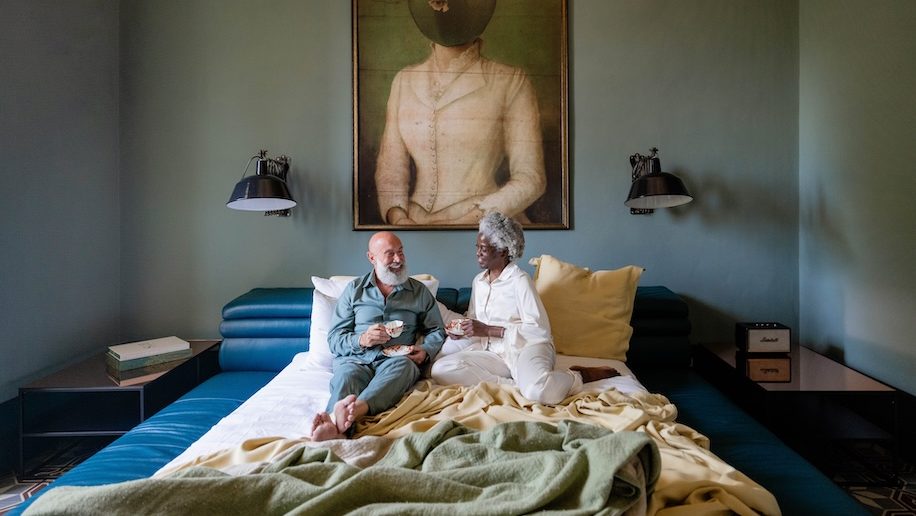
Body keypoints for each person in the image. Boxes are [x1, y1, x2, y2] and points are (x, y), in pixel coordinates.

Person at [374, 0, 547, 226]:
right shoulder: (404, 80)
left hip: (485, 223)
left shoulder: (509, 80)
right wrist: (400, 220)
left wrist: (470, 220)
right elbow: (390, 169)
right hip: (414, 227)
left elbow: (531, 178)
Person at [430, 212, 618, 404]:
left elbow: (540, 331)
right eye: (476, 247)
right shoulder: (479, 282)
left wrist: (488, 330)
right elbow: (475, 320)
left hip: (527, 348)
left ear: (502, 251)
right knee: (441, 369)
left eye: (483, 248)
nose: (477, 252)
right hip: (495, 353)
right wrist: (463, 331)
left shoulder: (520, 280)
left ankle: (576, 376)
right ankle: (517, 387)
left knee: (541, 393)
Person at [310, 231, 446, 441]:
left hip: (395, 360)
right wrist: (362, 339)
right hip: (355, 359)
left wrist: (425, 351)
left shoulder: (418, 292)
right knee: (346, 377)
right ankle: (334, 423)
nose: (398, 259)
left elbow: (436, 330)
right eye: (390, 254)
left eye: (401, 252)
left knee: (405, 368)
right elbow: (335, 339)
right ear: (372, 258)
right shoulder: (354, 291)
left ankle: (352, 413)